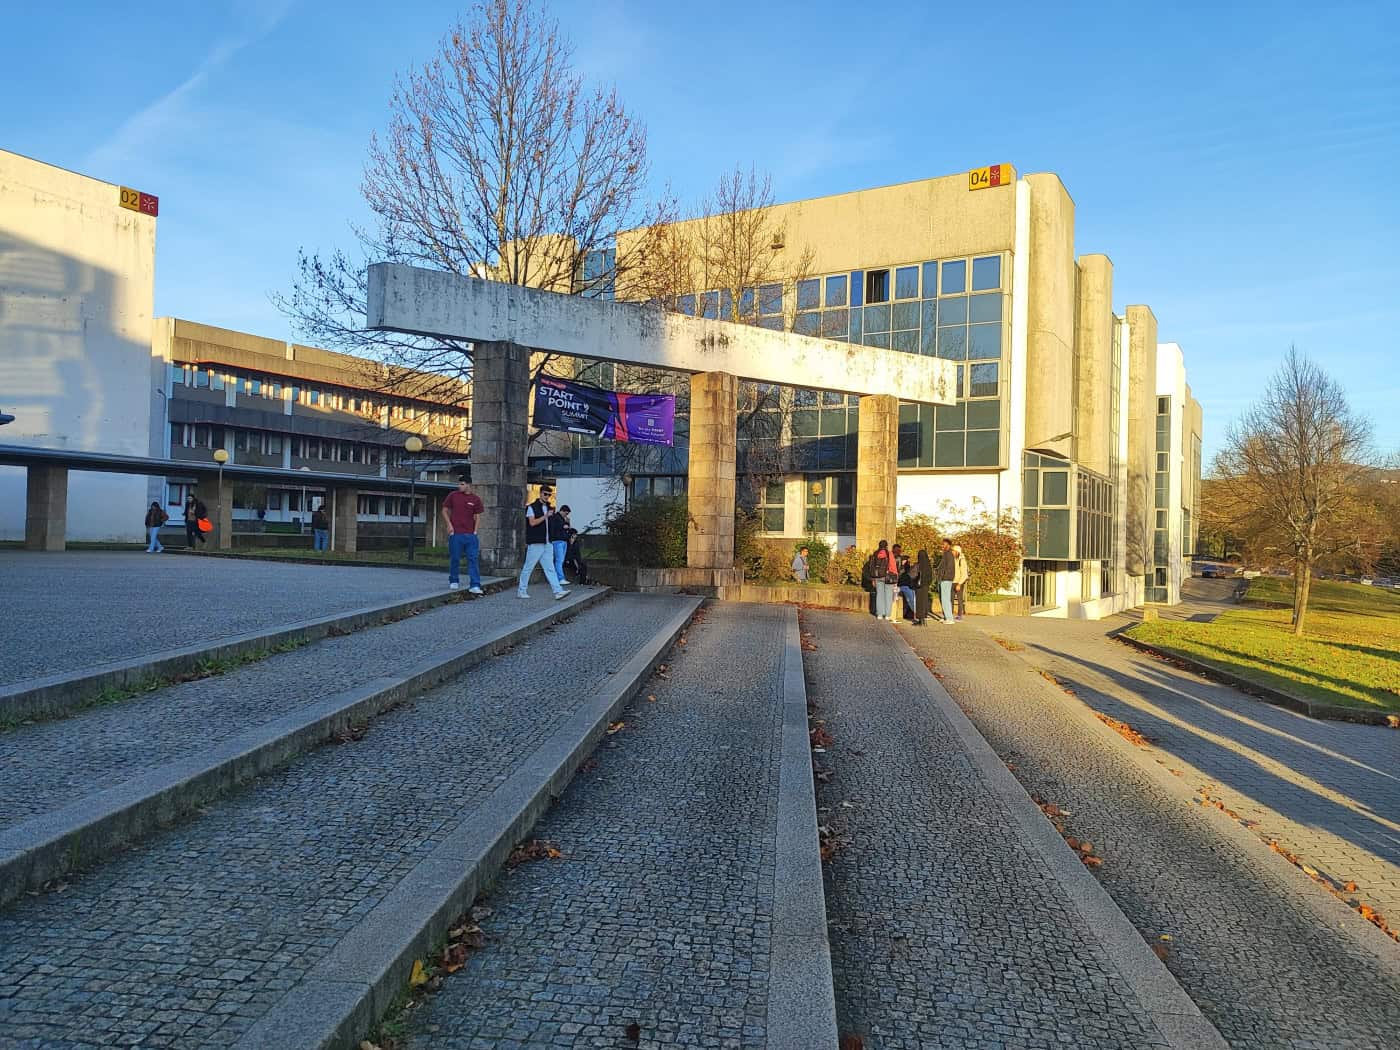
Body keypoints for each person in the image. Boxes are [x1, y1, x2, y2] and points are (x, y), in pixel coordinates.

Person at [519, 485, 568, 600]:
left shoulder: (550, 508)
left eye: (549, 495)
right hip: (536, 542)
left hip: (547, 542)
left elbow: (551, 525)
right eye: (545, 494)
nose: (547, 496)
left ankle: (558, 591)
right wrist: (545, 516)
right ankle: (521, 590)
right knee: (528, 567)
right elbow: (532, 523)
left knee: (550, 568)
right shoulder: (532, 507)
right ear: (540, 493)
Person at [440, 477, 485, 593]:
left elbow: (477, 517)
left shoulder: (475, 499)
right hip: (456, 534)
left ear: (468, 485)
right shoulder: (453, 495)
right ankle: (454, 580)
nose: (459, 486)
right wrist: (449, 525)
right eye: (459, 484)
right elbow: (444, 510)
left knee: (473, 559)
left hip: (470, 535)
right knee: (455, 558)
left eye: (462, 484)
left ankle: (475, 585)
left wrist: (475, 532)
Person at [869, 539, 899, 621]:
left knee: (879, 595)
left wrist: (873, 579)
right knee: (888, 596)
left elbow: (872, 566)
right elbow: (893, 565)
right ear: (886, 546)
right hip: (888, 577)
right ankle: (887, 615)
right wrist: (896, 577)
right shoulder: (889, 554)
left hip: (877, 577)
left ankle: (879, 614)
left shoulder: (875, 554)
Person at [545, 487, 570, 584]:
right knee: (559, 560)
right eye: (566, 513)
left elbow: (566, 528)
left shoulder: (562, 519)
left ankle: (559, 578)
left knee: (560, 560)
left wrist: (566, 523)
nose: (566, 515)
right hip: (557, 541)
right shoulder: (555, 517)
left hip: (563, 540)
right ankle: (560, 578)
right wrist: (563, 526)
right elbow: (553, 528)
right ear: (562, 511)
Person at [936, 538, 957, 624]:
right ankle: (946, 617)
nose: (942, 546)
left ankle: (949, 618)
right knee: (943, 598)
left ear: (948, 545)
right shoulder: (946, 554)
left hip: (946, 579)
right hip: (944, 578)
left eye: (944, 544)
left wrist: (944, 576)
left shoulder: (948, 554)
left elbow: (949, 567)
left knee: (945, 599)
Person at [915, 549, 934, 625]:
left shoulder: (919, 565)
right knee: (924, 601)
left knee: (919, 602)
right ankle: (924, 618)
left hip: (920, 586)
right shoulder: (928, 565)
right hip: (926, 585)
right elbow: (930, 576)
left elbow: (915, 575)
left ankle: (920, 619)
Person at [898, 554, 919, 621]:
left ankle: (913, 614)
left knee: (910, 600)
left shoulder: (906, 567)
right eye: (905, 560)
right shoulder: (903, 567)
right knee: (911, 600)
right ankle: (914, 614)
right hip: (905, 586)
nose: (906, 561)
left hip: (905, 585)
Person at [953, 543, 970, 620]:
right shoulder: (953, 559)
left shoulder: (962, 560)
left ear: (957, 552)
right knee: (951, 599)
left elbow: (964, 574)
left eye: (953, 551)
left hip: (959, 582)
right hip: (952, 581)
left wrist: (959, 584)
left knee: (960, 599)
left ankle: (960, 615)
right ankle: (950, 614)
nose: (952, 552)